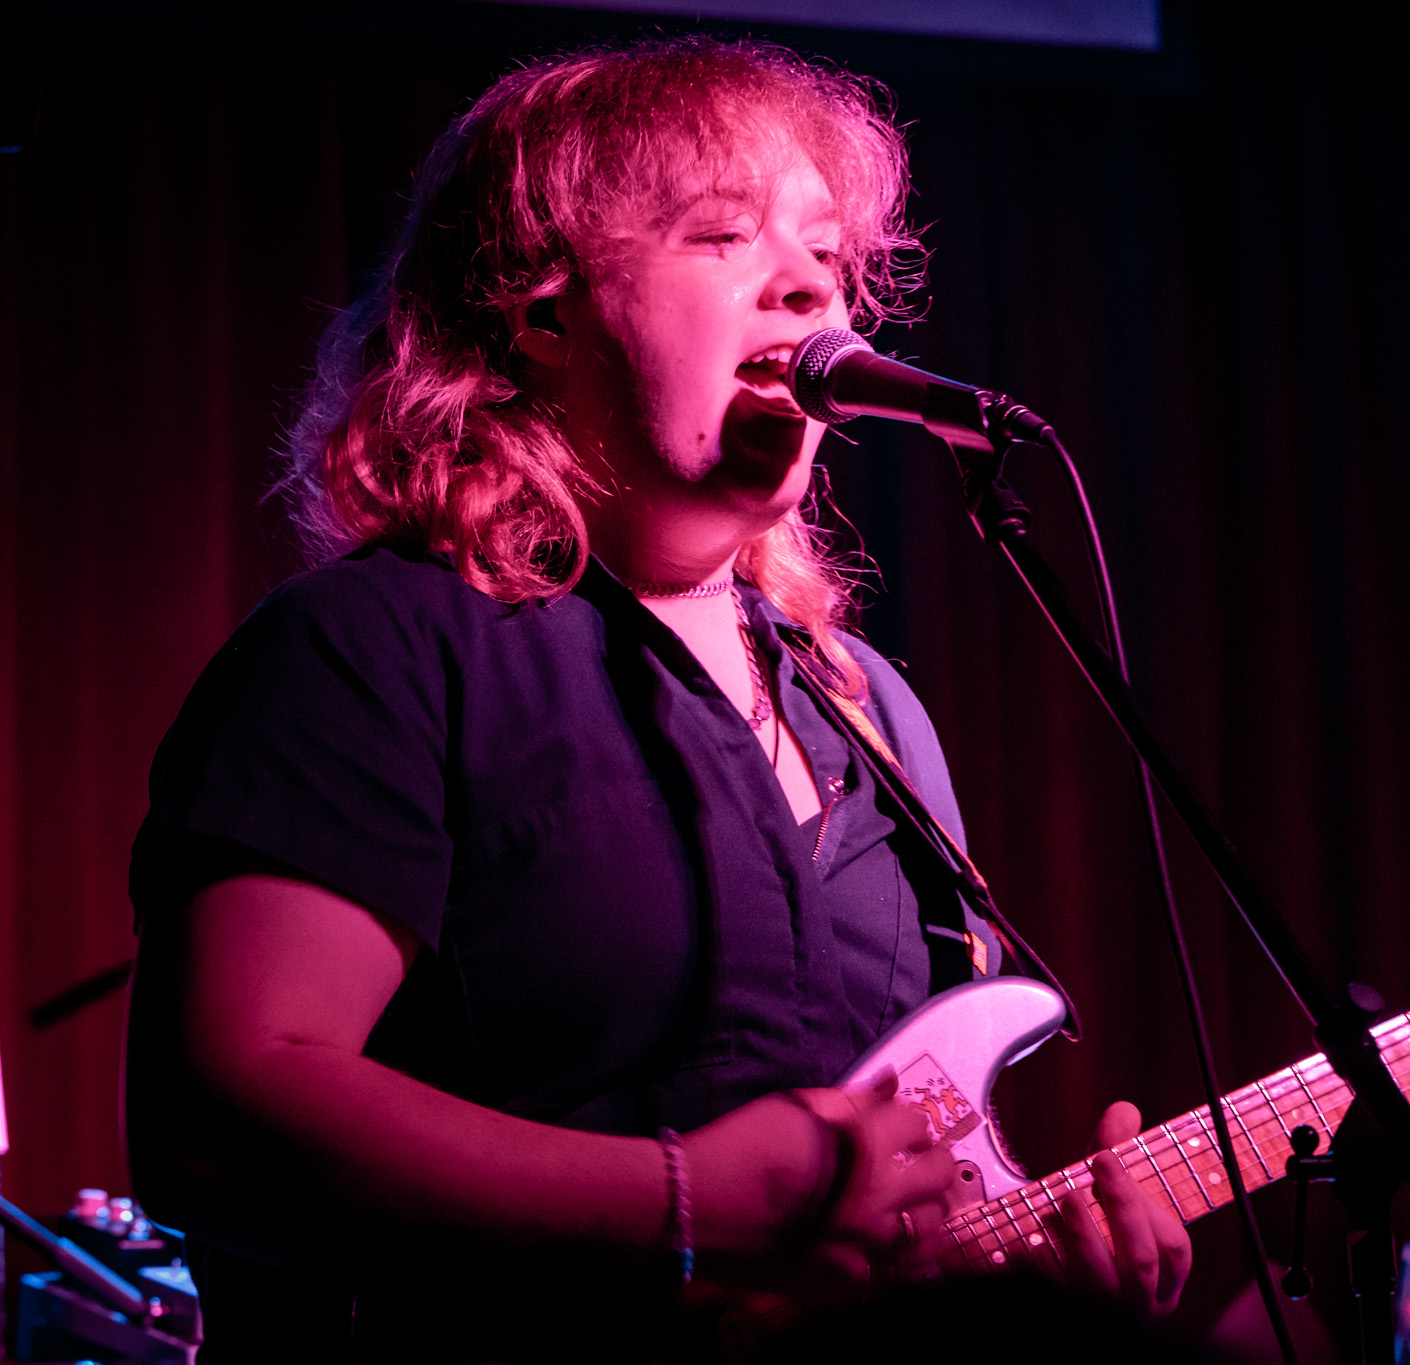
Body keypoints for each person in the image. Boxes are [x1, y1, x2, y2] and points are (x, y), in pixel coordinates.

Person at [123, 38, 1190, 1362]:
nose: (808, 282)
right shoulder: (374, 650)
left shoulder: (877, 717)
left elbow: (910, 1194)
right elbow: (219, 1119)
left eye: (827, 252)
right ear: (544, 312)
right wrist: (683, 1202)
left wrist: (1043, 1272)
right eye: (723, 234)